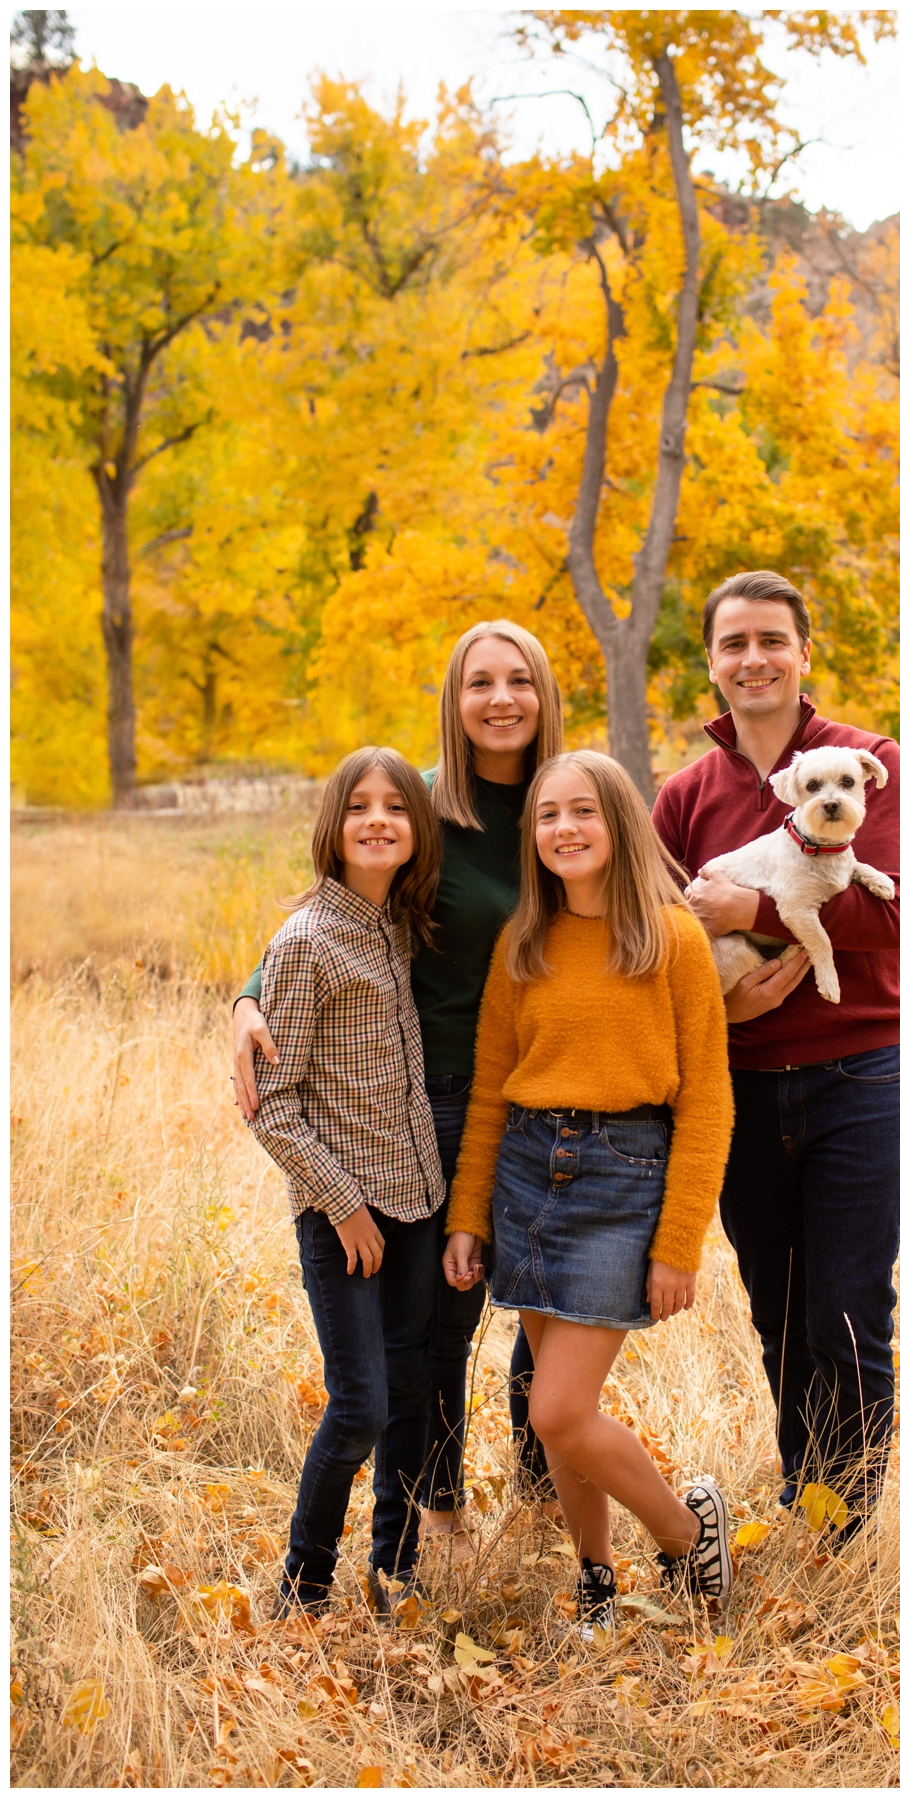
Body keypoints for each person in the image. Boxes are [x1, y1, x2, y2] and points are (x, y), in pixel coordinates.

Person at [232, 621, 567, 1544]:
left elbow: (653, 913)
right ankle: (439, 1507)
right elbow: (322, 915)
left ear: (545, 695)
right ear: (453, 703)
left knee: (547, 1303)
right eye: (479, 683)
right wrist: (248, 997)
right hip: (444, 1099)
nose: (501, 700)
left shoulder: (568, 806)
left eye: (519, 681)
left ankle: (541, 1497)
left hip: (553, 1098)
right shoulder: (418, 803)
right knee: (444, 1326)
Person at [441, 750, 738, 1636]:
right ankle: (596, 1576)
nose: (564, 830)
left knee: (556, 1411)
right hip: (527, 1176)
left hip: (624, 1178)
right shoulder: (523, 942)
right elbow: (492, 1088)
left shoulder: (669, 936)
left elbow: (709, 1101)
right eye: (546, 817)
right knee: (564, 1422)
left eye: (583, 812)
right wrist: (467, 1216)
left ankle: (688, 1536)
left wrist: (679, 1242)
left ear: (620, 823)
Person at [651, 570, 900, 1530]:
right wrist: (714, 1006)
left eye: (773, 639)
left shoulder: (866, 761)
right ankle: (804, 1494)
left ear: (805, 655)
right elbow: (660, 937)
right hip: (744, 1089)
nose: (753, 658)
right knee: (779, 1309)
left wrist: (754, 909)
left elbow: (893, 922)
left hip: (862, 1076)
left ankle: (845, 1527)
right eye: (734, 644)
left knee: (849, 1311)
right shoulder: (685, 797)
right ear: (714, 667)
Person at [245, 747, 447, 1616]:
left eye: (395, 808)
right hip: (346, 1218)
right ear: (333, 826)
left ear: (416, 828)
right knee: (361, 1401)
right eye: (359, 807)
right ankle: (304, 1585)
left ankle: (394, 1568)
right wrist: (344, 1205)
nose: (377, 821)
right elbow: (272, 1106)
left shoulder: (399, 924)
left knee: (412, 1393)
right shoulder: (305, 944)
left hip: (419, 1200)